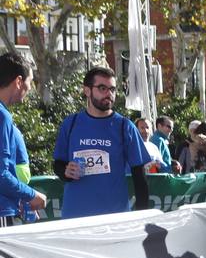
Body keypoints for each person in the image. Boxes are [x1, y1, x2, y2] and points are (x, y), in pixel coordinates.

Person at [53, 67, 152, 219]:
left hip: (114, 217)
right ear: (87, 91)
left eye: (112, 89)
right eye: (102, 88)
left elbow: (139, 176)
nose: (109, 94)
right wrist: (66, 172)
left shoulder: (125, 126)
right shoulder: (71, 123)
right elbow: (58, 164)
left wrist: (142, 217)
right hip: (75, 217)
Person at [0, 53, 45, 226]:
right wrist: (31, 195)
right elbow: (1, 175)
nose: (31, 88)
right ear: (19, 81)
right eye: (30, 81)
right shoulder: (2, 115)